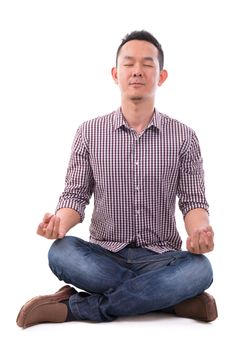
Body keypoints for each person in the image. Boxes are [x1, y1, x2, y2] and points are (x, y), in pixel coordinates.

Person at [16, 30, 218, 328]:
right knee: (61, 252)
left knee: (200, 270)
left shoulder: (184, 137)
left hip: (160, 255)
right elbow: (75, 196)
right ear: (116, 74)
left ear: (160, 76)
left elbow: (193, 202)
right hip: (104, 255)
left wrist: (200, 232)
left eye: (147, 64)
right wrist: (59, 221)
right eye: (129, 63)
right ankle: (172, 298)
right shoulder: (89, 132)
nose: (137, 70)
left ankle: (75, 308)